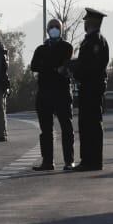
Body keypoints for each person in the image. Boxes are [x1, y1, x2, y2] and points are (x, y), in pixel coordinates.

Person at [30, 19, 75, 171]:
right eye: (51, 27)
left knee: (66, 128)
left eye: (57, 27)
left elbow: (64, 63)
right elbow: (34, 66)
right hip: (44, 94)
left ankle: (69, 161)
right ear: (47, 30)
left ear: (61, 30)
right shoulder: (40, 49)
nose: (54, 29)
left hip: (62, 92)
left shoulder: (67, 47)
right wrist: (54, 67)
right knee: (46, 131)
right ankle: (47, 161)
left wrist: (47, 66)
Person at [68, 8, 110, 172]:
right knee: (86, 124)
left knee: (91, 124)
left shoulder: (95, 41)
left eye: (86, 21)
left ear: (91, 23)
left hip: (92, 87)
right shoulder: (92, 40)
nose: (84, 24)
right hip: (89, 87)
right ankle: (88, 159)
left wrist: (75, 71)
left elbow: (91, 66)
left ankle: (92, 161)